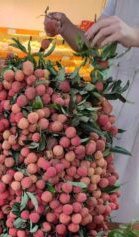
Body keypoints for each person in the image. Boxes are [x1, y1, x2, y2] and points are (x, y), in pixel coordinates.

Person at [44, 0, 139, 225]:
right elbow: (89, 44)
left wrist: (134, 35)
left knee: (131, 193)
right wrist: (65, 26)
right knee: (98, 184)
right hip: (111, 96)